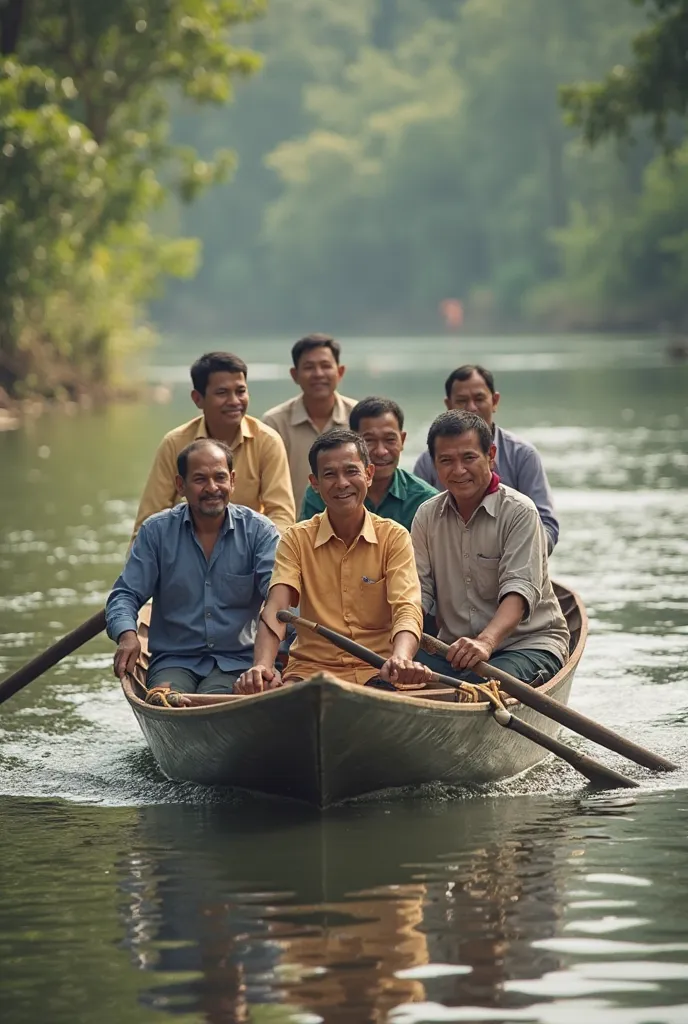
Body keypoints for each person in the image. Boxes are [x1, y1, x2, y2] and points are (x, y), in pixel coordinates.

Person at [235, 428, 433, 693]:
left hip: (379, 670)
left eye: (351, 471)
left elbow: (406, 608)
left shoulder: (394, 537)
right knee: (276, 698)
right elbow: (276, 609)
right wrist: (263, 666)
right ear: (314, 484)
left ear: (369, 474)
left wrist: (402, 658)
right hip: (309, 671)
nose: (342, 483)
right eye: (329, 474)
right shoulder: (296, 539)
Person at [107, 439, 279, 695]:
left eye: (220, 478)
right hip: (174, 661)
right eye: (200, 479)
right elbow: (126, 594)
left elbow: (280, 598)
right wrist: (127, 635)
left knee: (217, 695)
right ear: (181, 485)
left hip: (239, 663)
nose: (212, 488)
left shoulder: (259, 532)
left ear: (232, 480)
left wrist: (276, 662)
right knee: (165, 698)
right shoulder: (156, 532)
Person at [412, 411, 569, 685]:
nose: (458, 470)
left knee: (481, 686)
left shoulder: (520, 512)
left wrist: (485, 642)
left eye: (469, 458)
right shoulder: (427, 515)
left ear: (491, 455)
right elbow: (418, 591)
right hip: (454, 652)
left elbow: (519, 592)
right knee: (385, 675)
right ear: (434, 465)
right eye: (446, 461)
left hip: (525, 645)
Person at [132, 352, 295, 539]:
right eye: (222, 393)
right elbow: (149, 519)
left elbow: (281, 516)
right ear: (197, 399)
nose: (234, 401)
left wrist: (264, 555)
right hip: (186, 549)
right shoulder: (175, 443)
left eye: (240, 391)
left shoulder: (267, 441)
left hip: (248, 550)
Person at [413, 365, 559, 553]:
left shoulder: (523, 455)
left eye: (479, 398)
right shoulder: (428, 461)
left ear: (495, 400)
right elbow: (418, 524)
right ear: (449, 405)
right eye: (462, 400)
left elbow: (547, 525)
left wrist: (521, 553)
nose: (472, 407)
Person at [300, 396, 438, 530]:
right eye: (369, 440)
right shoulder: (323, 492)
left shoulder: (425, 501)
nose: (381, 451)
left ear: (402, 440)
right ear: (353, 443)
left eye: (390, 440)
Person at [261, 334, 357, 510]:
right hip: (293, 530)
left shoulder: (358, 417)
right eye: (309, 367)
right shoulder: (274, 423)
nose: (318, 374)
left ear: (340, 371)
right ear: (294, 375)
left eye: (326, 366)